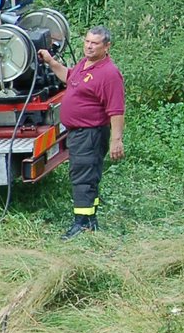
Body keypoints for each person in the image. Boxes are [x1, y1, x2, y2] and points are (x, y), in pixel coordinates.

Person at [38, 27, 125, 238]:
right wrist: (51, 61)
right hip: (79, 133)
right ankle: (91, 220)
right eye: (87, 41)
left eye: (95, 43)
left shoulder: (109, 73)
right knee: (89, 176)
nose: (89, 46)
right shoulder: (85, 65)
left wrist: (116, 140)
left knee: (83, 177)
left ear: (106, 46)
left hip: (91, 133)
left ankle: (82, 225)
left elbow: (116, 109)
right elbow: (69, 77)